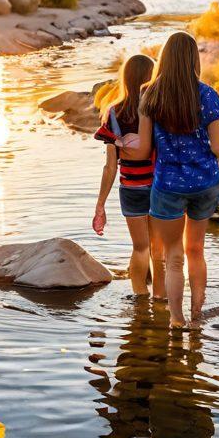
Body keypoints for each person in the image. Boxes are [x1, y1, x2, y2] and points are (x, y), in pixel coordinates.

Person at [133, 31, 219, 329]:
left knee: (173, 257)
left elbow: (145, 149)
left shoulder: (150, 94)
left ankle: (176, 319)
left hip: (168, 185)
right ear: (193, 59)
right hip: (204, 183)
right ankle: (198, 316)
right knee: (196, 250)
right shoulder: (207, 94)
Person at [93, 54, 166, 298]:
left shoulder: (114, 113)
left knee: (140, 247)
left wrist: (100, 204)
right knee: (159, 250)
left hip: (131, 188)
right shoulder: (160, 108)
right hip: (160, 187)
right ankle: (161, 298)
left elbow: (110, 167)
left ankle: (139, 298)